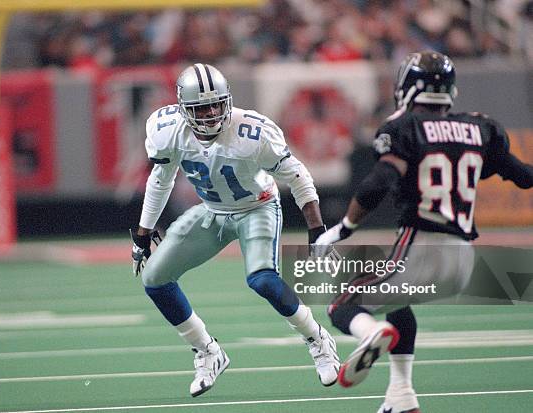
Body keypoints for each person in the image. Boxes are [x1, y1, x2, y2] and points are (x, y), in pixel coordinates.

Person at [315, 51, 533, 413]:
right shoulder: (480, 128)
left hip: (420, 246)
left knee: (343, 304)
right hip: (462, 260)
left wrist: (344, 227)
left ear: (408, 88)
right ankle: (401, 395)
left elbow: (380, 181)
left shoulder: (405, 128)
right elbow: (523, 176)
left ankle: (370, 334)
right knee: (399, 304)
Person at [131, 63, 340, 397]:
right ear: (185, 109)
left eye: (217, 103)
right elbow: (161, 179)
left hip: (257, 207)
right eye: (202, 107)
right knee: (154, 278)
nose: (212, 113)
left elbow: (297, 175)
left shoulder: (251, 132)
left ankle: (317, 338)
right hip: (212, 211)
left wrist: (317, 228)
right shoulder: (166, 128)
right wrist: (143, 233)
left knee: (262, 279)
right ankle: (208, 351)